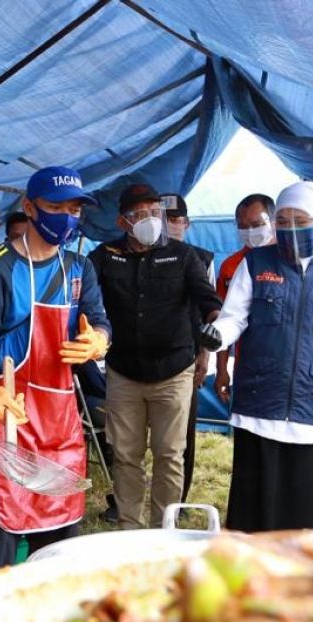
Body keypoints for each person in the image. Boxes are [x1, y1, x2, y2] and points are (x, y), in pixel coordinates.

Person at [0, 166, 110, 575]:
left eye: (74, 208)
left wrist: (97, 340)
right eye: (55, 206)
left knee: (58, 526)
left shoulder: (79, 269)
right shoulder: (0, 267)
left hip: (60, 421)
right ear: (30, 208)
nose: (66, 216)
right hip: (7, 415)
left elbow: (99, 320)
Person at [206, 181, 313, 532]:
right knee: (256, 517)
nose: (290, 229)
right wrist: (216, 336)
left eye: (300, 220)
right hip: (260, 410)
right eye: (283, 221)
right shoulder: (255, 264)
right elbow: (234, 317)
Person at [90, 184, 221, 529]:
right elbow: (84, 298)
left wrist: (215, 323)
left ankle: (166, 530)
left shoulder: (183, 255)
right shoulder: (104, 256)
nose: (150, 220)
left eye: (155, 213)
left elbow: (208, 301)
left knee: (169, 454)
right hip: (123, 373)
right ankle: (130, 528)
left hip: (174, 371)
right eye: (140, 215)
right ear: (123, 221)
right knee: (126, 455)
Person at [163, 192, 218, 504]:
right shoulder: (137, 253)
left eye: (175, 220)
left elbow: (208, 310)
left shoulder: (202, 258)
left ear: (186, 223)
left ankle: (178, 501)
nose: (170, 226)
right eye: (164, 219)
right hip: (141, 360)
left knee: (182, 436)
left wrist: (204, 356)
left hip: (185, 358)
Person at [214, 194, 275, 405]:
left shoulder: (292, 260)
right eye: (243, 226)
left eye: (257, 225)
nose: (250, 232)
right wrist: (221, 370)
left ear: (274, 221)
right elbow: (221, 321)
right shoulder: (231, 266)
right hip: (245, 366)